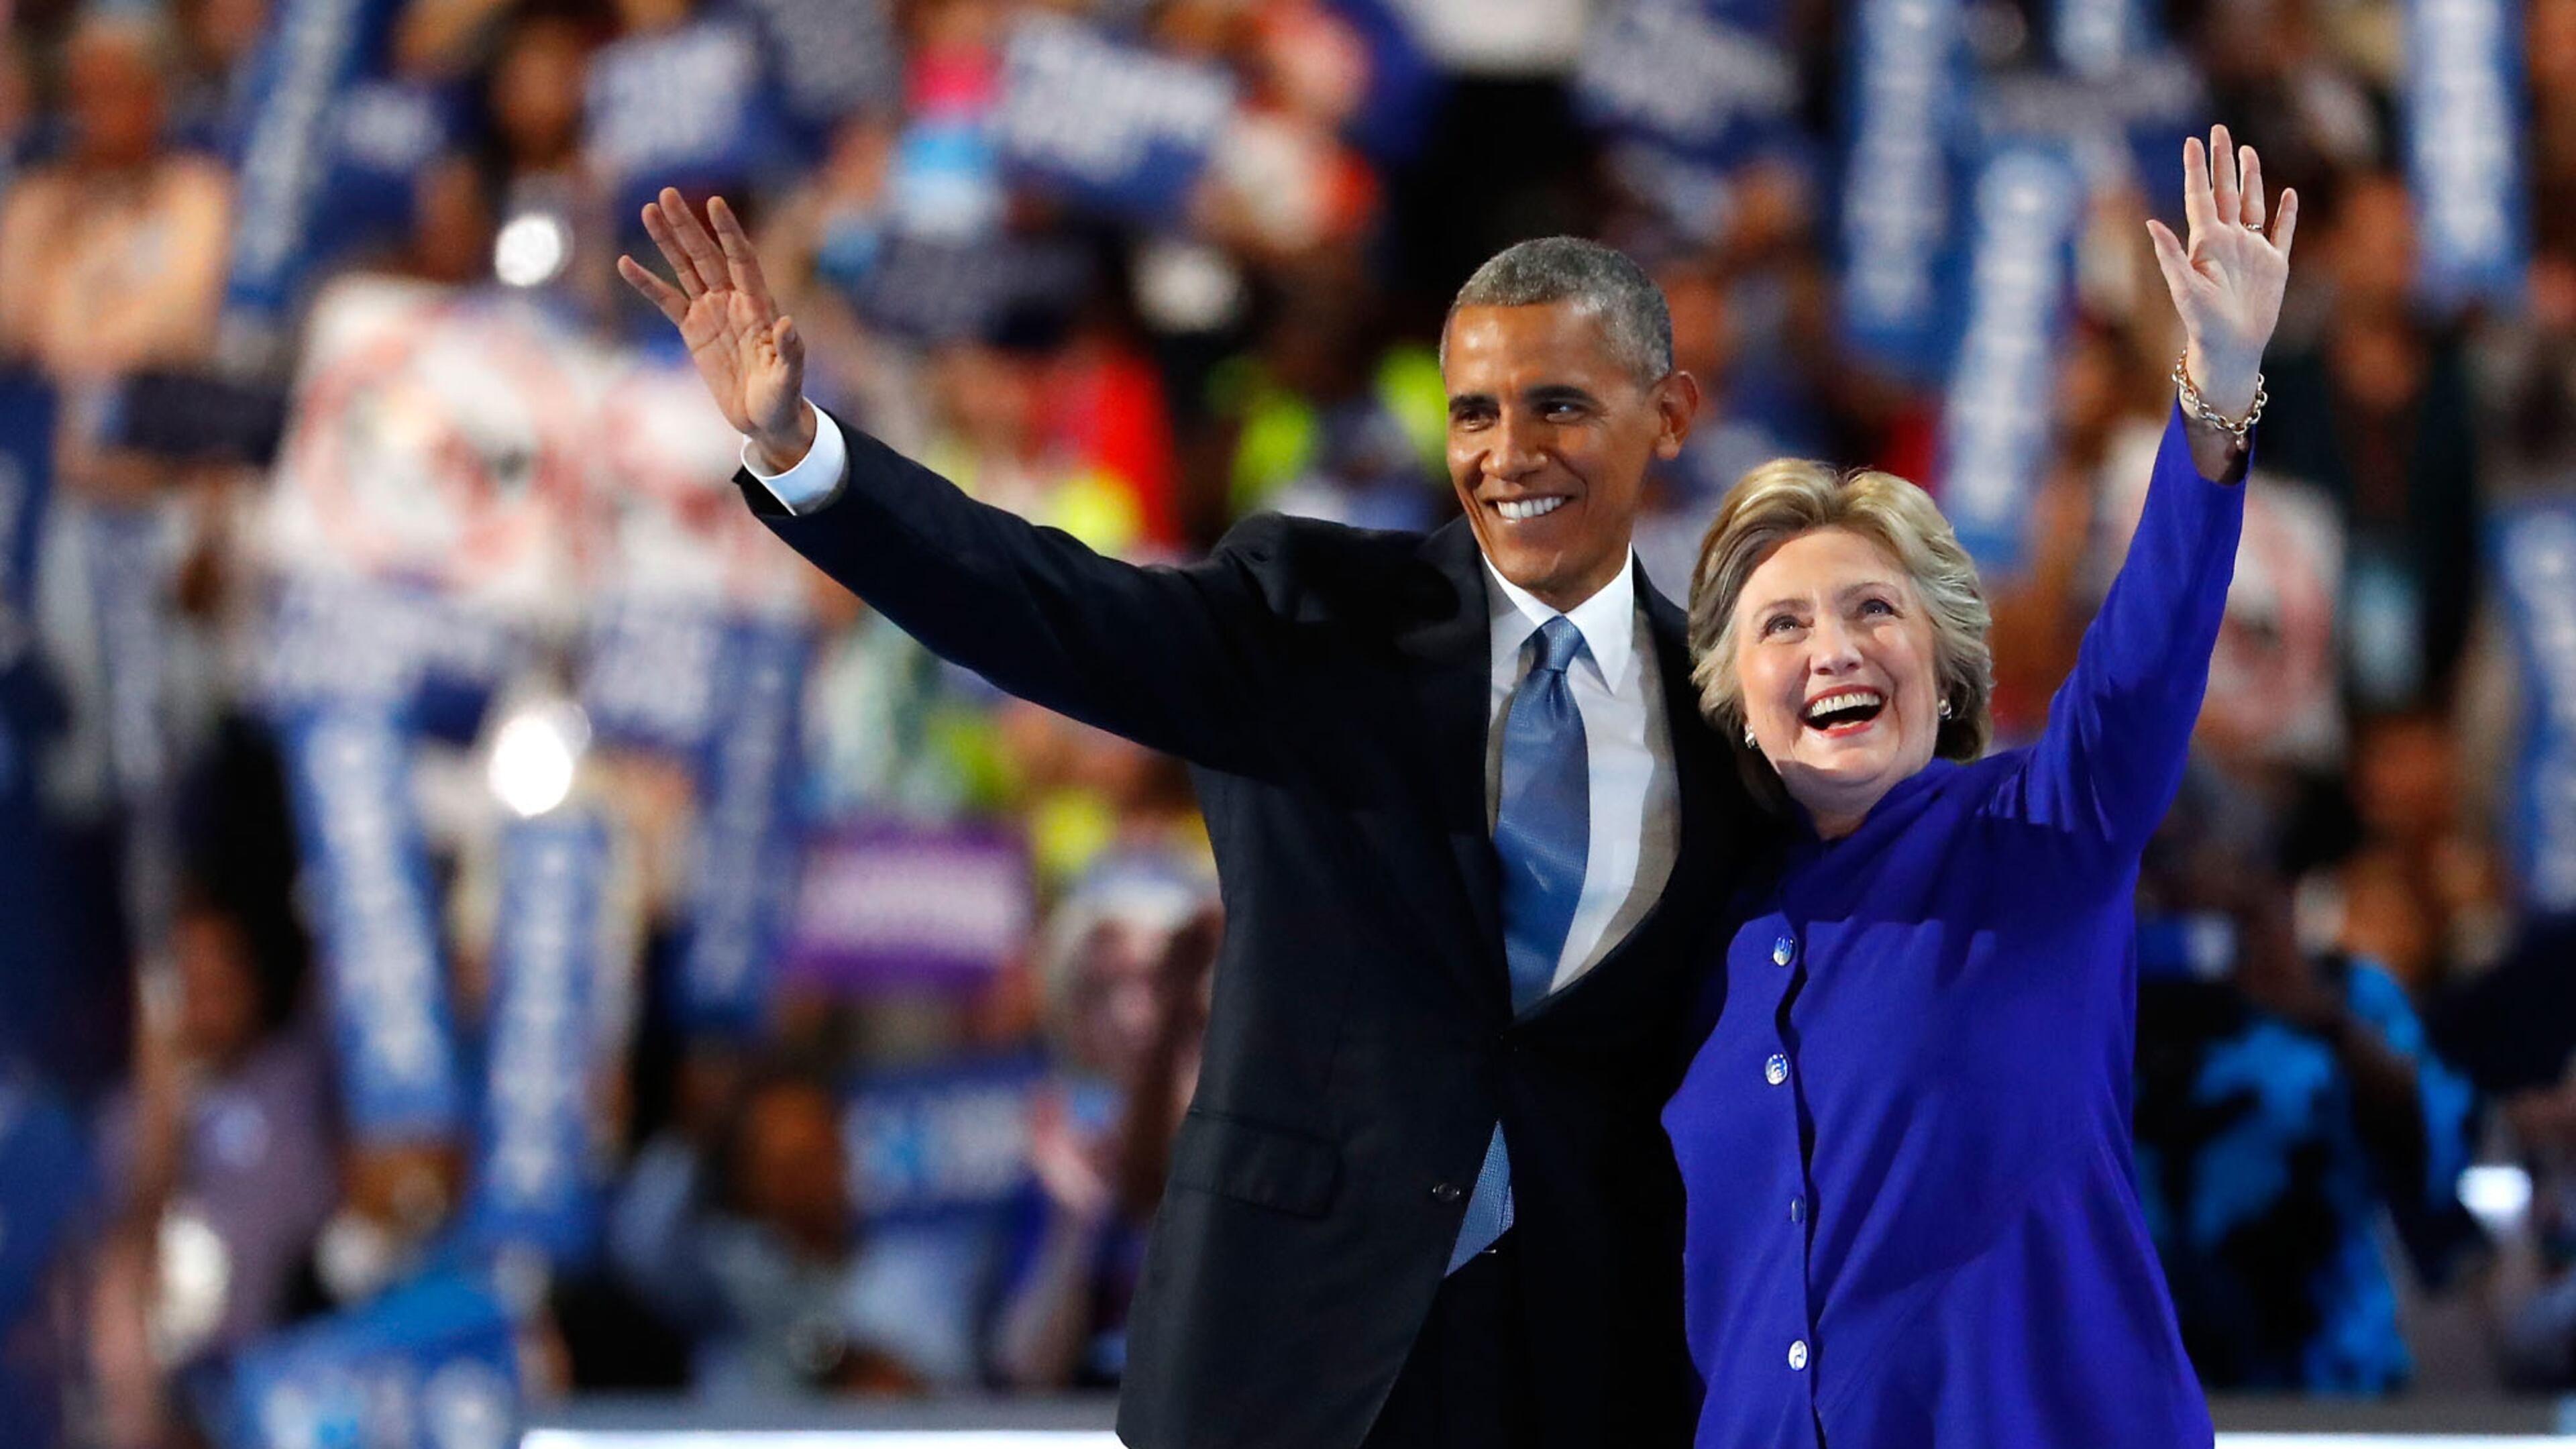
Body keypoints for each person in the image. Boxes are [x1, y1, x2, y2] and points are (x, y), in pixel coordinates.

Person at [621, 207, 1765, 1444]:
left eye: (1559, 407)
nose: (1508, 453)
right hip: (1289, 1347)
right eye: (1473, 414)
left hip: (1585, 1362)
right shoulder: (1316, 616)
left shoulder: (1734, 717)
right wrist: (803, 452)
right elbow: (1049, 606)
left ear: (1670, 414)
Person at [1664, 127, 2294, 1447]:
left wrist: (2214, 398)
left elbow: (2140, 667)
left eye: (1871, 611)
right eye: (1782, 626)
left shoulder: (2037, 842)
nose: (1831, 647)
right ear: (1729, 692)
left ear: (1944, 668)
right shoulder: (1675, 928)